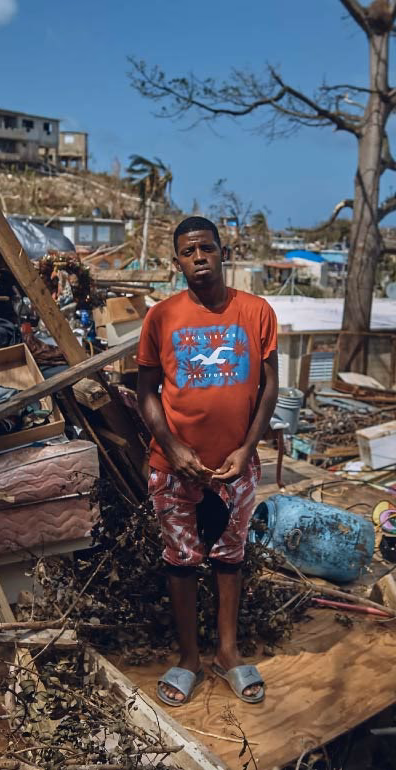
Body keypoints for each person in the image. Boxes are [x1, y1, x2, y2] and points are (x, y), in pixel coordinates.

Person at [136, 216, 279, 707]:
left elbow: (270, 387)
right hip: (174, 468)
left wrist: (247, 448)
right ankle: (189, 658)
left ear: (223, 252)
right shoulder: (161, 317)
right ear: (176, 261)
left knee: (229, 558)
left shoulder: (257, 311)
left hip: (235, 467)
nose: (198, 258)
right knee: (181, 561)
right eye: (187, 252)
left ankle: (228, 653)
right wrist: (173, 448)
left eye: (206, 249)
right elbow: (146, 394)